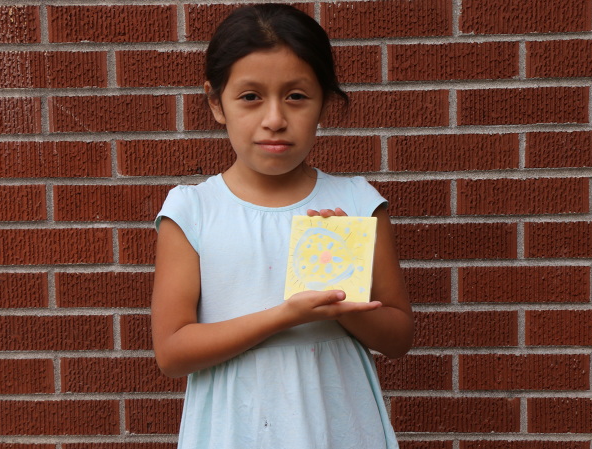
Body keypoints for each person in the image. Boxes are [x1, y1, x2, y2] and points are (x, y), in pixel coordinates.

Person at [151, 4, 413, 448]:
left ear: (324, 102)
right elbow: (173, 353)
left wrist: (343, 296)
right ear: (216, 102)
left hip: (337, 424)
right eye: (250, 97)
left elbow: (398, 338)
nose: (274, 118)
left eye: (296, 96)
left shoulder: (356, 202)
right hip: (236, 428)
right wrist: (285, 316)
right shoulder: (193, 209)